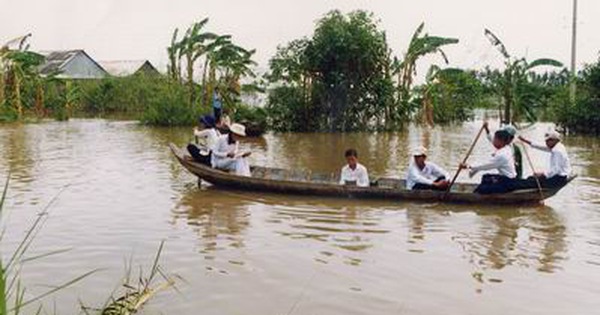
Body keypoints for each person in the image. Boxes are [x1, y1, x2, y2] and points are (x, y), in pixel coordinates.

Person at [460, 130, 517, 194]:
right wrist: (487, 129)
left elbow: (486, 166)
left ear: (501, 141)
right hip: (506, 178)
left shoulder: (502, 155)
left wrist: (468, 166)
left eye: (495, 139)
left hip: (507, 181)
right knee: (486, 177)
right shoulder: (507, 148)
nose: (494, 141)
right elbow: (492, 140)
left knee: (482, 189)